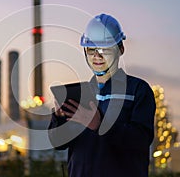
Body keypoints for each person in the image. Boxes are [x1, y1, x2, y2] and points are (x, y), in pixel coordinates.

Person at [48, 13, 156, 177]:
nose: (97, 56)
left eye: (105, 49)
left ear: (121, 49)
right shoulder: (80, 94)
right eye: (91, 50)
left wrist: (99, 125)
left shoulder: (138, 90)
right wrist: (59, 118)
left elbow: (141, 141)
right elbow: (58, 143)